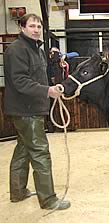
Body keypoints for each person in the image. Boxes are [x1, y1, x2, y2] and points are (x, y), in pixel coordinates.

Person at [3, 13, 71, 210]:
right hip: (26, 110)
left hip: (30, 108)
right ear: (22, 28)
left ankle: (17, 191)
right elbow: (20, 81)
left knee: (23, 150)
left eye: (38, 26)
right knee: (40, 152)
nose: (36, 29)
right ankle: (48, 199)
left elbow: (36, 77)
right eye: (32, 26)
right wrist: (47, 91)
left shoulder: (37, 50)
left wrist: (50, 87)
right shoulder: (17, 50)